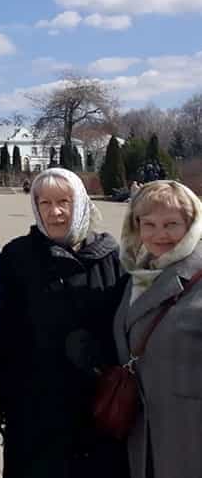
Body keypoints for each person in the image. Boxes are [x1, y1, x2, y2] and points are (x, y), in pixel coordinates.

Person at [0, 168, 128, 478]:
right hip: (35, 410)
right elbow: (4, 335)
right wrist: (4, 397)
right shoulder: (17, 256)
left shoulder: (112, 257)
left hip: (97, 410)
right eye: (45, 203)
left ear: (80, 203)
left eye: (64, 202)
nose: (55, 212)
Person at [114, 180, 202, 478]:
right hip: (143, 431)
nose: (159, 234)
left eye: (171, 224)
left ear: (191, 225)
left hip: (189, 436)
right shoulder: (137, 274)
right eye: (148, 224)